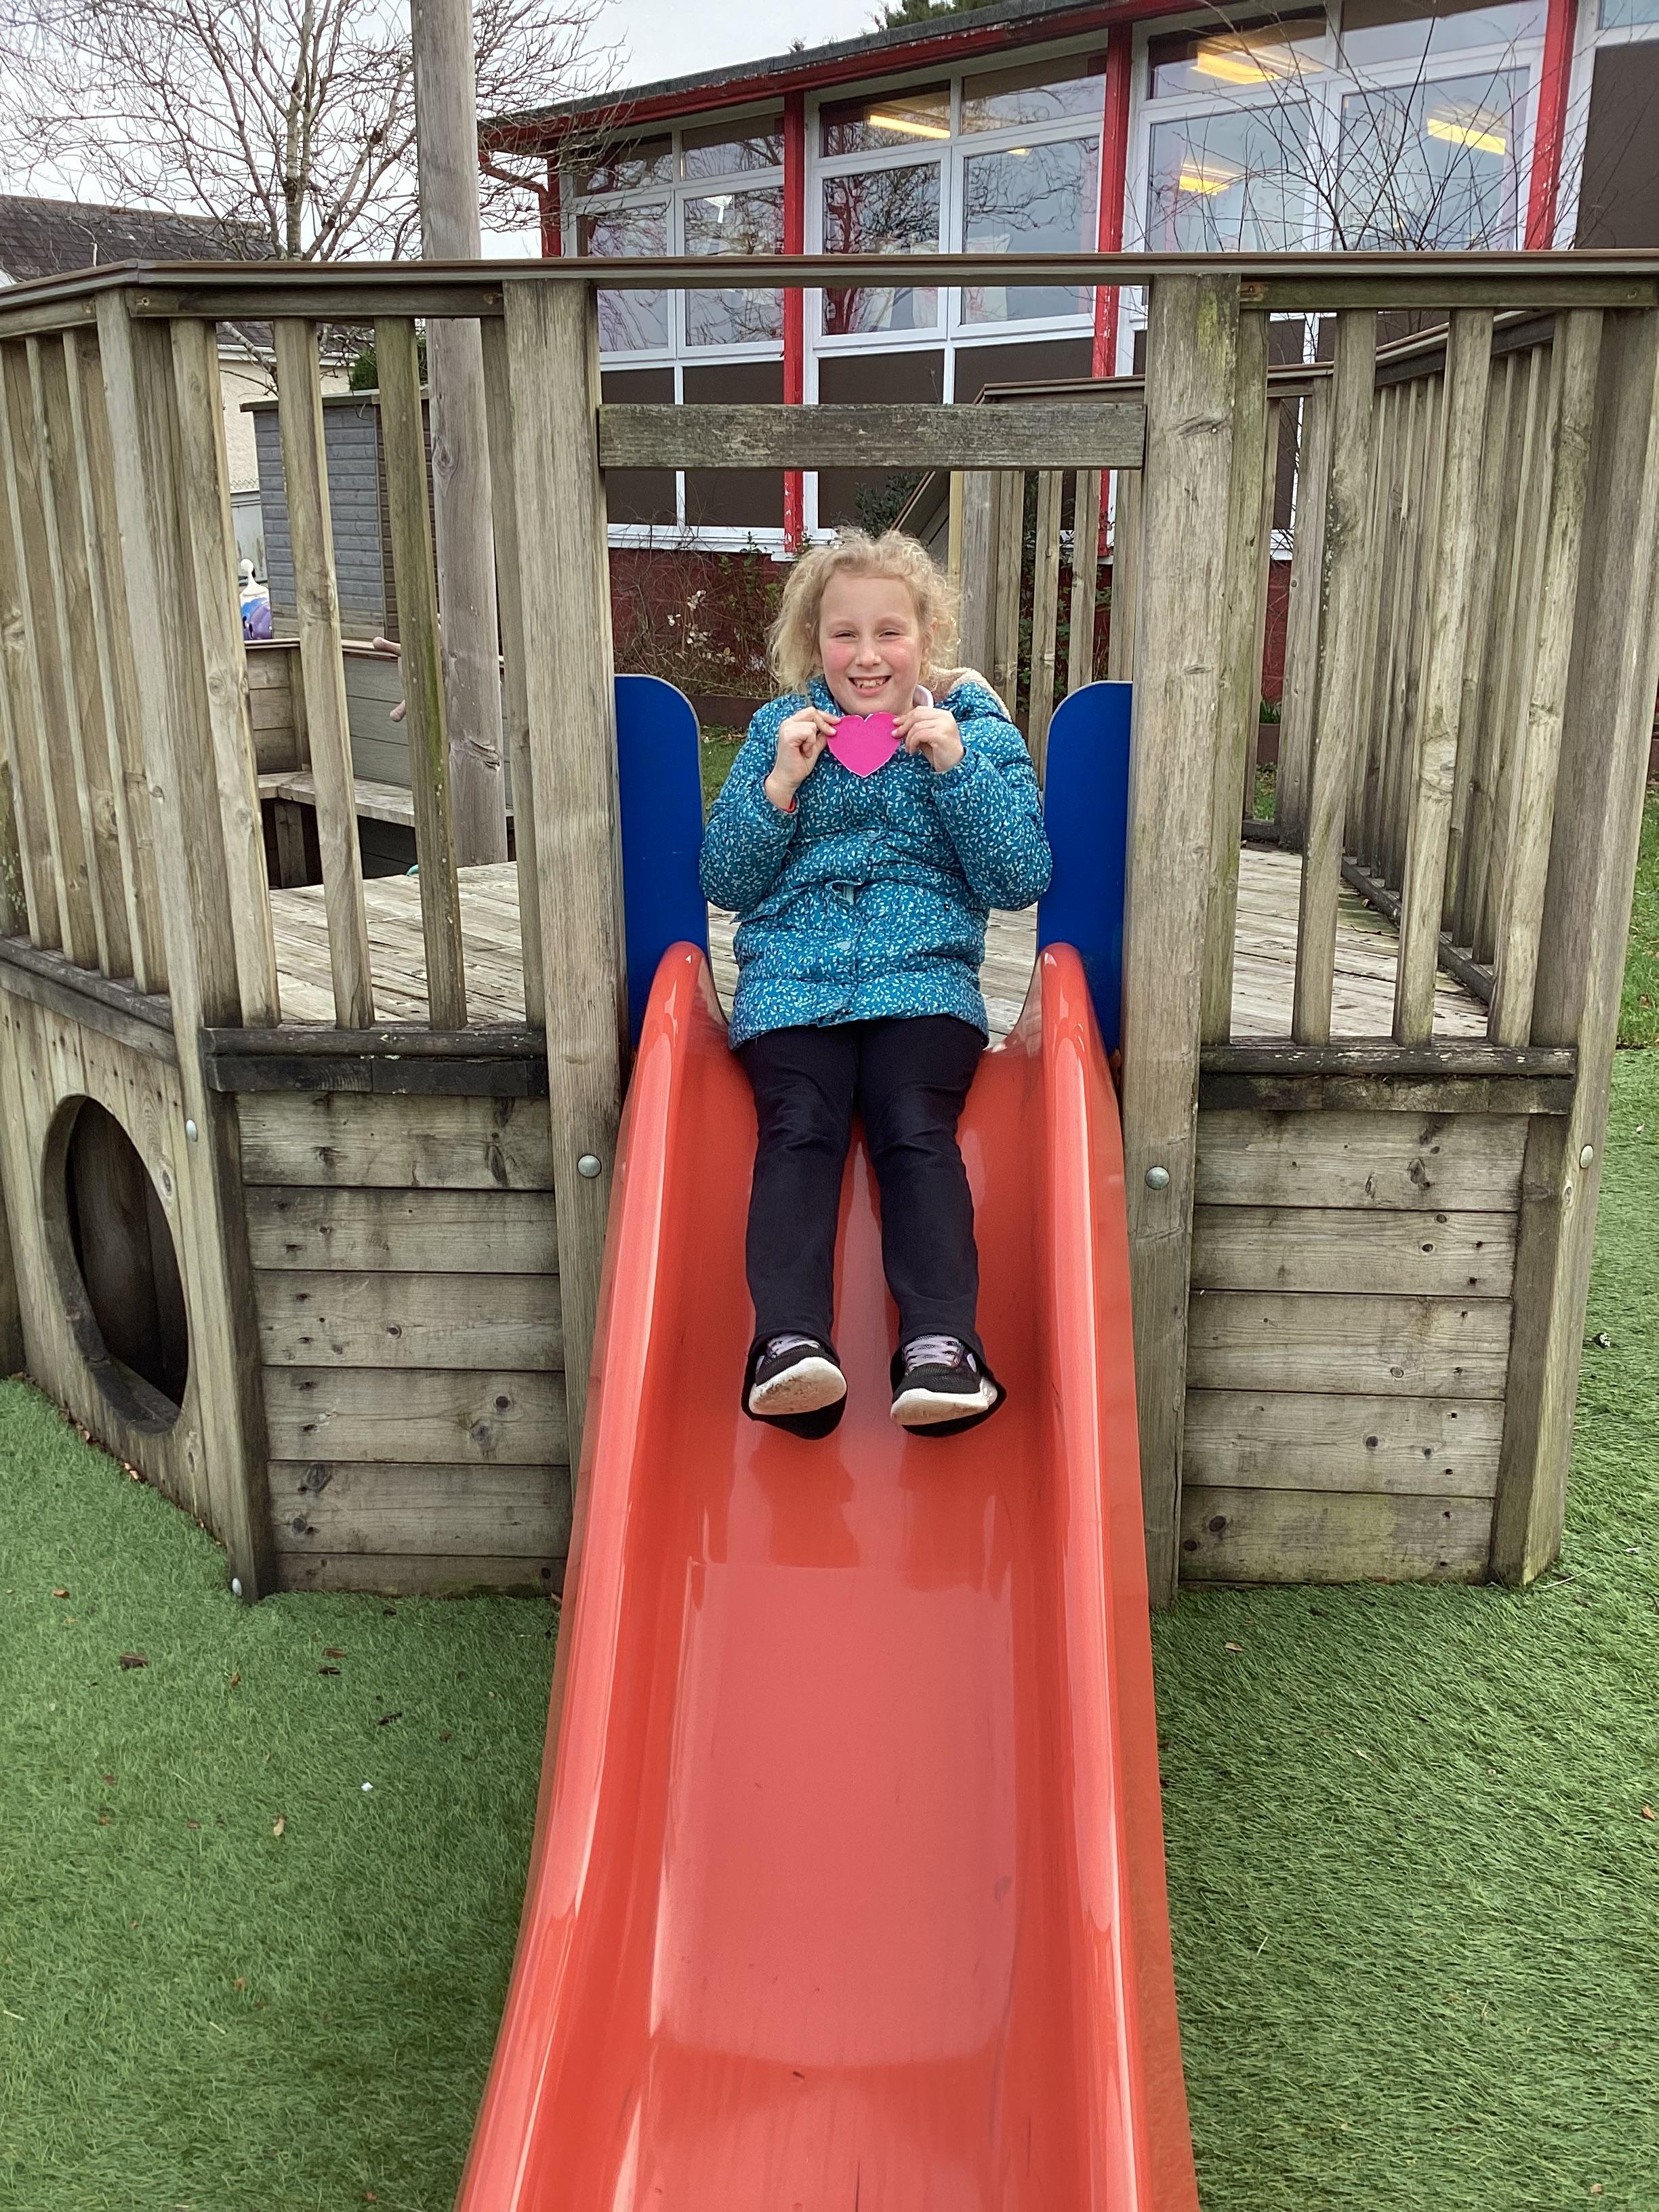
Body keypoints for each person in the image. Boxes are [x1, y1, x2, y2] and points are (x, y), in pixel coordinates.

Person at [699, 529, 1052, 1441]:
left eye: (889, 633)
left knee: (914, 1127)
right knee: (799, 1128)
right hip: (794, 986)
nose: (866, 656)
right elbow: (725, 880)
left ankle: (941, 1346)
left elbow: (1019, 877)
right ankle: (787, 1346)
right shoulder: (780, 734)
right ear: (812, 642)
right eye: (843, 634)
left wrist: (957, 770)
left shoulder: (976, 736)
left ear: (926, 639)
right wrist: (780, 784)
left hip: (924, 987)